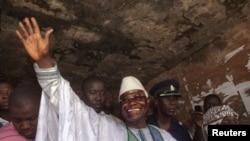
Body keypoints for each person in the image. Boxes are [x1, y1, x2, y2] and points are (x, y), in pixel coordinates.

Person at [15, 16, 177, 141]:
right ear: (120, 106)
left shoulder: (165, 137)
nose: (132, 103)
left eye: (137, 97)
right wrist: (44, 60)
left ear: (147, 101)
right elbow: (68, 103)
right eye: (125, 100)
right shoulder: (106, 128)